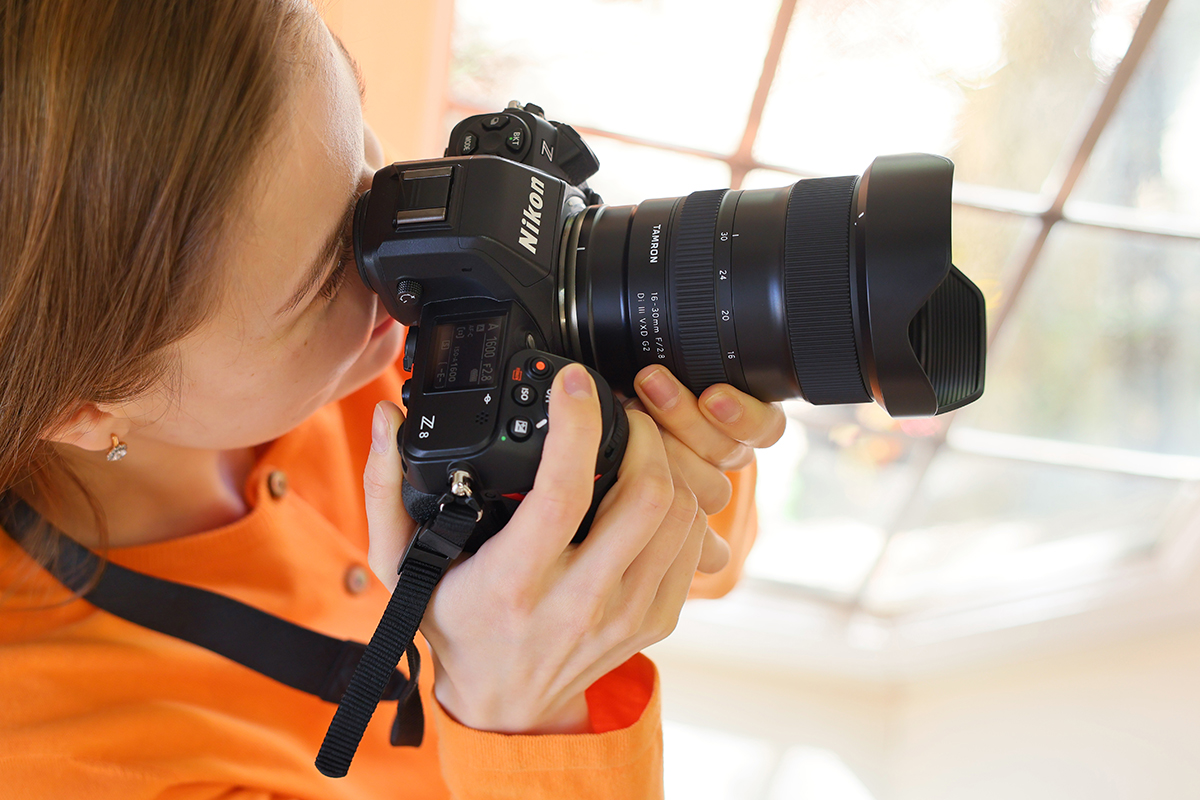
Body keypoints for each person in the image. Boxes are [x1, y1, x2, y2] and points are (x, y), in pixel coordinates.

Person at [0, 0, 784, 796]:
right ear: (88, 409)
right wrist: (519, 717)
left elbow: (717, 552)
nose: (404, 255)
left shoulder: (374, 342)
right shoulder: (62, 760)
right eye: (320, 279)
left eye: (369, 168)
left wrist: (634, 398)